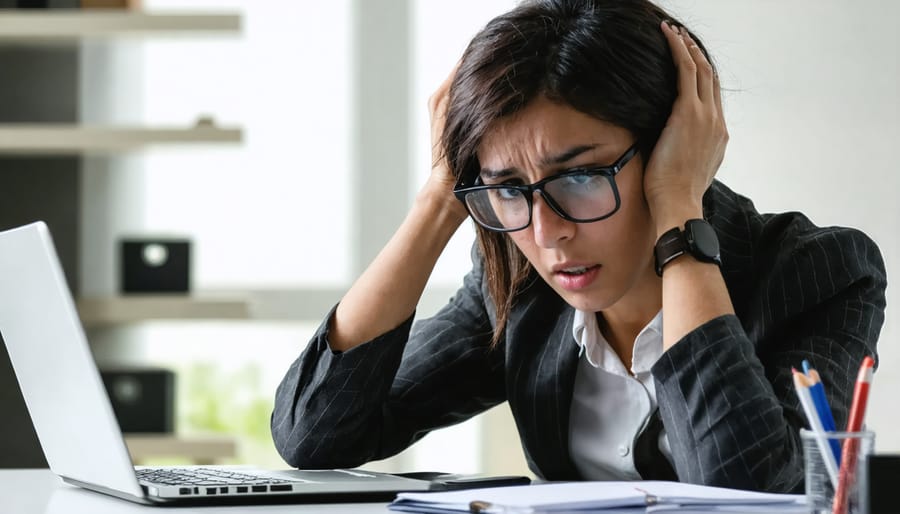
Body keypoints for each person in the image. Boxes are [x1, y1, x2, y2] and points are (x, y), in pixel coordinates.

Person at [271, 0, 886, 493]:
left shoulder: (822, 272)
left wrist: (678, 205)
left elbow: (744, 491)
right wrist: (439, 199)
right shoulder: (515, 285)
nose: (546, 232)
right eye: (508, 190)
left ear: (673, 143)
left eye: (582, 177)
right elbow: (316, 436)